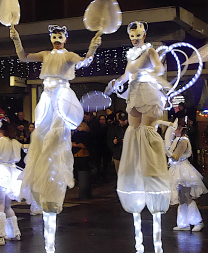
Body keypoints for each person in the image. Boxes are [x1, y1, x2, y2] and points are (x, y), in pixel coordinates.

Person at [11, 24, 101, 253]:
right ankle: (43, 177)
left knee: (55, 137)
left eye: (60, 36)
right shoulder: (45, 54)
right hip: (46, 97)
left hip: (62, 97)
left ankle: (53, 176)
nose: (57, 39)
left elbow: (84, 61)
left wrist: (93, 47)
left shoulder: (68, 55)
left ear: (66, 38)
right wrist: (16, 39)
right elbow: (23, 57)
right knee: (40, 137)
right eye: (54, 36)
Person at [106, 21, 172, 253]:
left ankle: (151, 171)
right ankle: (136, 172)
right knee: (133, 134)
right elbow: (126, 74)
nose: (135, 38)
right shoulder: (131, 53)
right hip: (133, 94)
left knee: (145, 133)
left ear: (144, 34)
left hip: (147, 92)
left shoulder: (150, 50)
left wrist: (149, 74)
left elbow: (160, 70)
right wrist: (116, 84)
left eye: (138, 34)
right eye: (132, 35)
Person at [163, 118, 207, 232]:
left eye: (176, 128)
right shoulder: (178, 140)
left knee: (187, 196)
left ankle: (197, 221)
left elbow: (176, 156)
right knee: (181, 197)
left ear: (181, 129)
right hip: (177, 170)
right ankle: (183, 223)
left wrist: (165, 149)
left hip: (183, 171)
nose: (174, 131)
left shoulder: (183, 141)